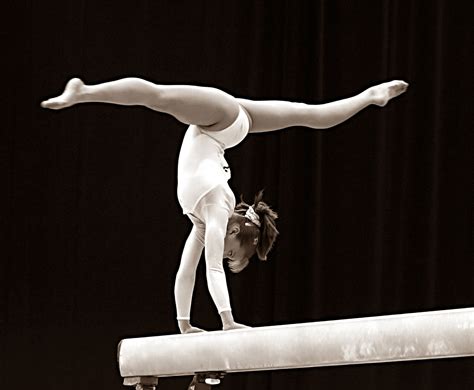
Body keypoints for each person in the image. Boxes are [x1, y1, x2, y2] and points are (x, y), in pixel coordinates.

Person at [41, 77, 408, 333]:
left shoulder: (200, 221)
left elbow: (187, 271)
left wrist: (184, 324)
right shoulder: (218, 208)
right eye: (236, 252)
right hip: (220, 121)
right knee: (159, 96)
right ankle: (85, 92)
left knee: (306, 114)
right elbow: (212, 268)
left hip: (228, 126)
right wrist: (227, 320)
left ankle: (370, 96)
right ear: (234, 230)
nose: (226, 254)